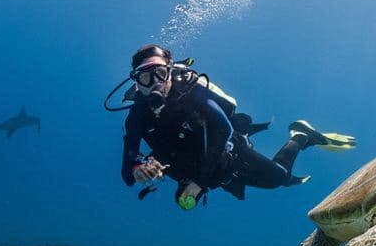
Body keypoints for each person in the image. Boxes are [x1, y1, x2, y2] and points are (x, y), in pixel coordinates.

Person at [117, 44, 356, 209]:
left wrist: (200, 182)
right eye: (145, 77)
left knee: (279, 178)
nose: (155, 84)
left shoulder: (193, 93)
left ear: (170, 71)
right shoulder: (137, 115)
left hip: (228, 156)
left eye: (160, 73)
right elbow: (127, 174)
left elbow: (223, 130)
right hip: (197, 170)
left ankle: (300, 135)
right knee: (184, 201)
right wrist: (139, 168)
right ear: (136, 81)